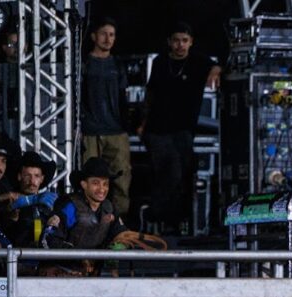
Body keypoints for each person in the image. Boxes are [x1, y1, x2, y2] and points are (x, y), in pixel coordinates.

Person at [139, 21, 221, 233]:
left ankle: (177, 223)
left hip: (184, 130)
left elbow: (221, 64)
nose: (180, 45)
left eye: (184, 40)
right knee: (167, 173)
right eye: (176, 40)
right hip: (157, 129)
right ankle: (162, 222)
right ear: (169, 41)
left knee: (185, 176)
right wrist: (142, 123)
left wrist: (215, 70)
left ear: (191, 42)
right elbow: (150, 94)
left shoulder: (198, 61)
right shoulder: (160, 62)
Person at [81, 16, 131, 217]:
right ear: (94, 36)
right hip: (90, 130)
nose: (108, 39)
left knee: (121, 178)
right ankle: (89, 220)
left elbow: (123, 97)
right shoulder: (84, 63)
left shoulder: (117, 64)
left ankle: (118, 222)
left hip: (116, 130)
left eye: (112, 35)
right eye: (103, 34)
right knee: (90, 179)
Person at [42, 157, 125, 260]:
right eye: (95, 183)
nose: (102, 189)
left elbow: (122, 235)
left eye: (105, 184)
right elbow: (48, 240)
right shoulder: (70, 207)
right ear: (84, 184)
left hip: (94, 268)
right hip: (65, 267)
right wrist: (79, 258)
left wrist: (119, 246)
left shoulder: (108, 208)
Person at [1, 151, 57, 248]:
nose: (32, 181)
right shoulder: (9, 200)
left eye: (36, 176)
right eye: (27, 175)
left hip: (43, 256)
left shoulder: (48, 204)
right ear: (19, 176)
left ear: (42, 179)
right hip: (17, 255)